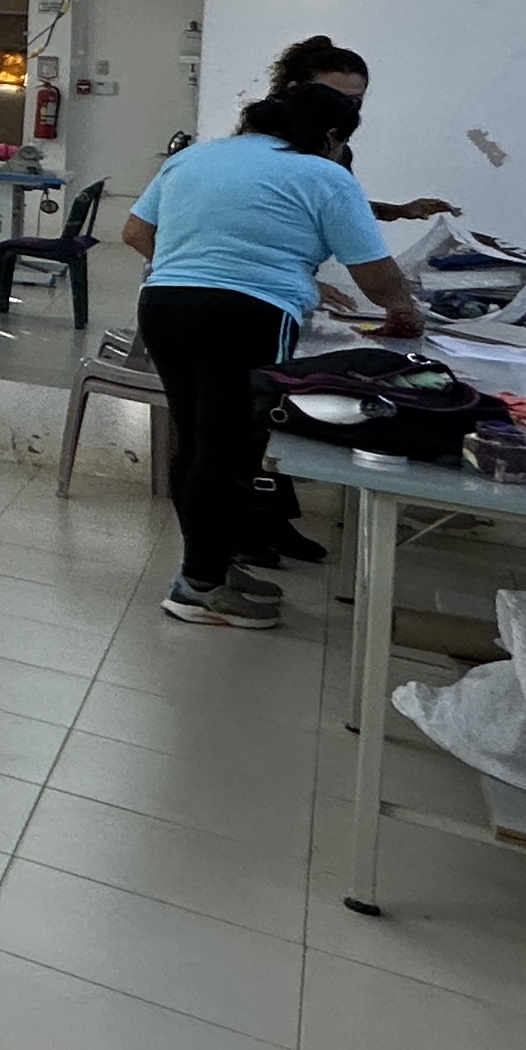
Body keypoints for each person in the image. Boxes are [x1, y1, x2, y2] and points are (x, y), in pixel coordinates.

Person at [119, 86, 425, 629]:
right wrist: (403, 308)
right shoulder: (325, 175)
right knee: (229, 447)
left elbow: (135, 232)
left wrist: (197, 263)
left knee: (195, 440)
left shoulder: (193, 158)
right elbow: (373, 272)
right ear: (330, 136)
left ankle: (207, 566)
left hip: (164, 305)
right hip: (250, 316)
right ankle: (200, 588)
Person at [263, 37, 461, 224]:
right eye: (327, 97)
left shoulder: (339, 151)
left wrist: (399, 211)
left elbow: (340, 209)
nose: (339, 111)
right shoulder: (261, 148)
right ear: (293, 90)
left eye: (352, 103)